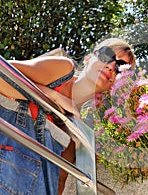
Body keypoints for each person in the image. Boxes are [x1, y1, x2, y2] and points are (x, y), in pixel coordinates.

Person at [0, 38, 136, 195]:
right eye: (107, 55)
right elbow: (3, 73)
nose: (111, 66)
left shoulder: (81, 129)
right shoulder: (62, 70)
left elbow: (59, 180)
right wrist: (53, 96)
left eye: (120, 67)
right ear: (88, 59)